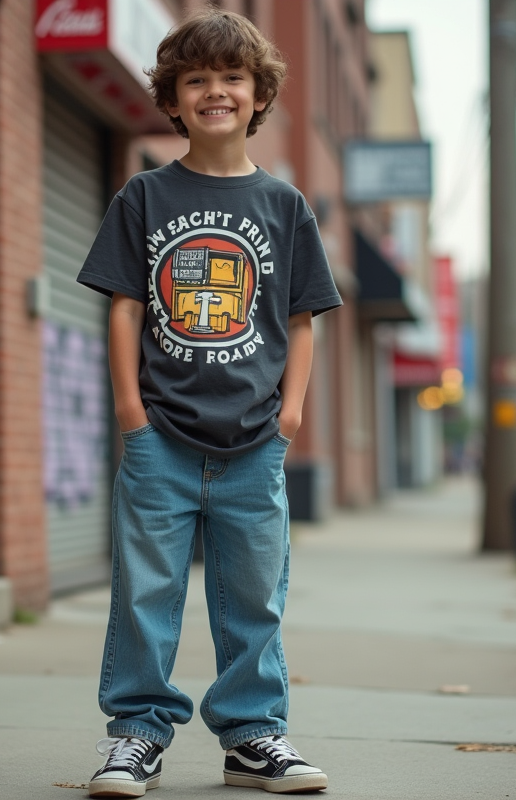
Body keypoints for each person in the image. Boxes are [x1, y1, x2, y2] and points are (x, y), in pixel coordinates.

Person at [76, 8, 341, 797]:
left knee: (255, 593)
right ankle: (136, 736)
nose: (215, 91)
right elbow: (124, 306)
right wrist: (131, 412)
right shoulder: (144, 196)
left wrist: (289, 414)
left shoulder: (285, 205)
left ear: (259, 95)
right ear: (172, 98)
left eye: (232, 78)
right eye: (197, 79)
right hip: (160, 436)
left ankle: (254, 735)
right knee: (145, 592)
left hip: (255, 441)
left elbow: (302, 320)